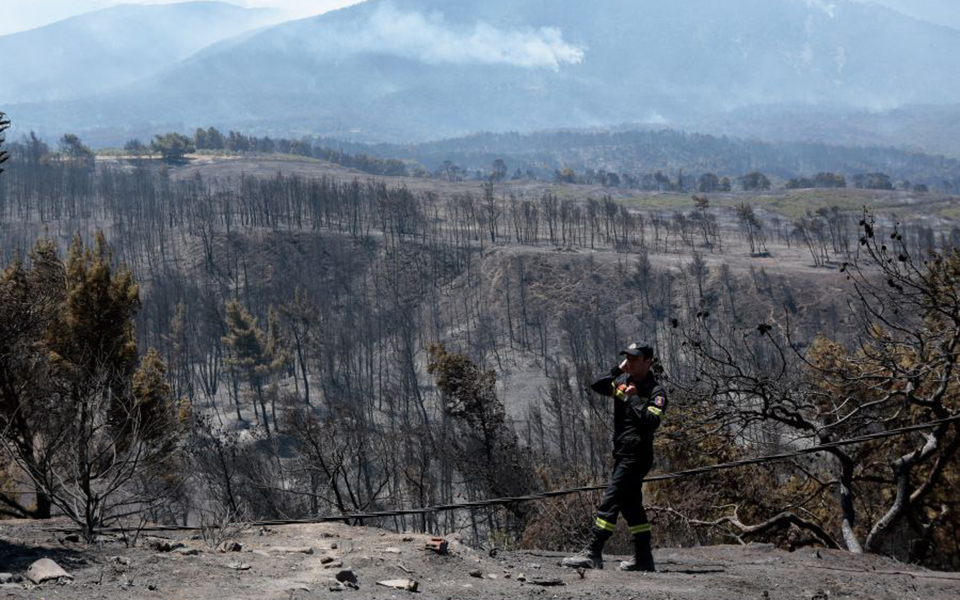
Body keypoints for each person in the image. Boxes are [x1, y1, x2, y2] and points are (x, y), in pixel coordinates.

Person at [561, 342, 667, 572]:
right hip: (622, 453)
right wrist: (617, 371)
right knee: (631, 507)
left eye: (635, 359)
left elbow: (652, 422)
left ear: (648, 362)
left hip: (636, 455)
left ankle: (593, 552)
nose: (630, 362)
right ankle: (644, 559)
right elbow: (597, 384)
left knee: (610, 501)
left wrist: (634, 399)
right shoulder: (623, 383)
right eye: (627, 358)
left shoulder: (655, 391)